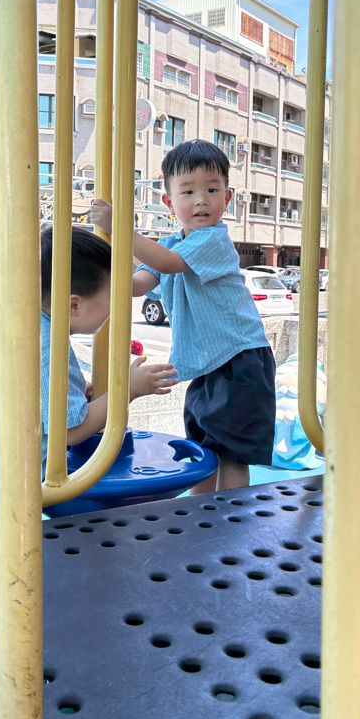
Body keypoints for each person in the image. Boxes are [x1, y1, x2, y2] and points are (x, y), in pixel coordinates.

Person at [90, 139, 275, 492]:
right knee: (203, 449)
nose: (201, 200)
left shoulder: (213, 240)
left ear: (227, 198)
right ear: (169, 202)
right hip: (208, 364)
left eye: (212, 190)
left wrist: (120, 227)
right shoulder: (172, 244)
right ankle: (197, 514)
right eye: (188, 191)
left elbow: (166, 264)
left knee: (232, 455)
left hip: (240, 360)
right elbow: (138, 285)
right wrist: (102, 260)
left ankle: (232, 518)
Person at [40, 225, 177, 477]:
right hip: (23, 487)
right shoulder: (49, 348)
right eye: (111, 296)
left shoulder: (30, 331)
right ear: (74, 304)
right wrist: (127, 389)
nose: (116, 306)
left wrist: (73, 391)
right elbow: (71, 430)